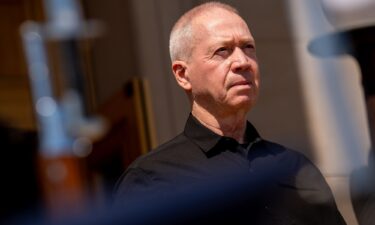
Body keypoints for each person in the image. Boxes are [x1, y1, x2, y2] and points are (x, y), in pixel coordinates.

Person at [113, 2, 347, 225]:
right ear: (183, 75)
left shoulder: (295, 167)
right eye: (222, 51)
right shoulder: (151, 179)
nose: (242, 62)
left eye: (248, 47)